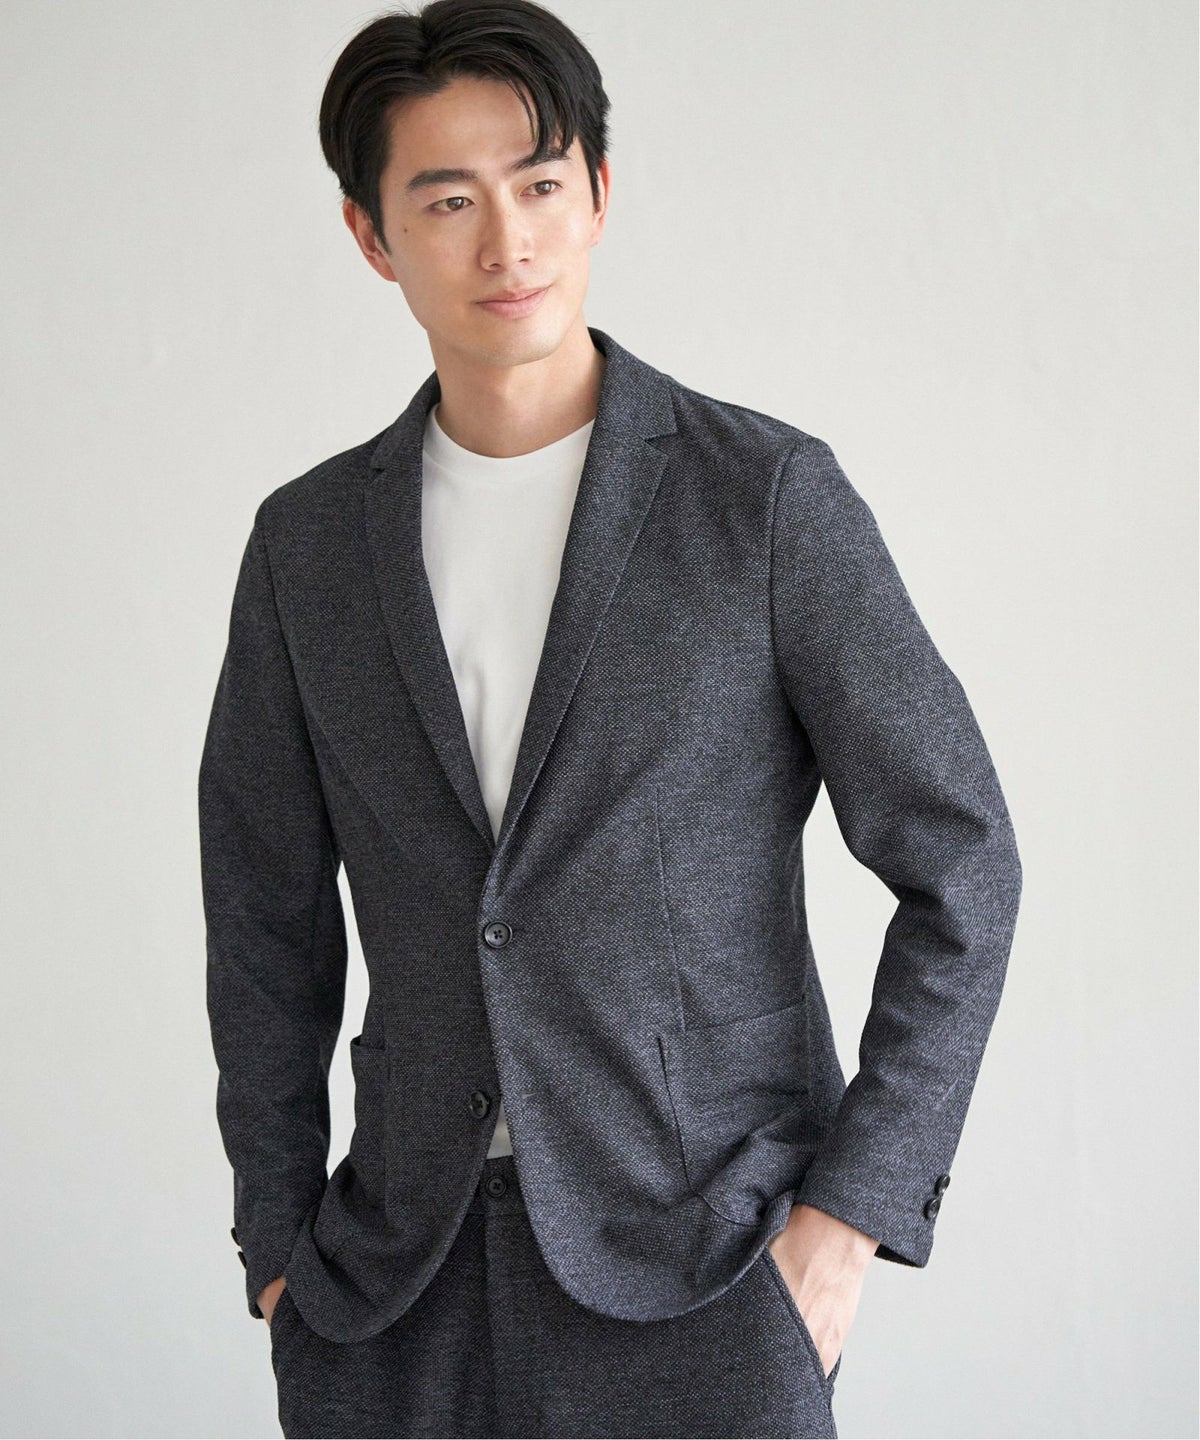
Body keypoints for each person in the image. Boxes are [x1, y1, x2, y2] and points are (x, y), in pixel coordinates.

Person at [198, 2, 1023, 1436]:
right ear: (371, 235)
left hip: (708, 1267)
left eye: (538, 184)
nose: (505, 243)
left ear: (598, 192)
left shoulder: (761, 499)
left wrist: (847, 1220)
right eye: (447, 201)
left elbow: (963, 859)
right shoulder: (308, 546)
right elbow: (263, 912)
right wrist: (278, 1244)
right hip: (397, 1288)